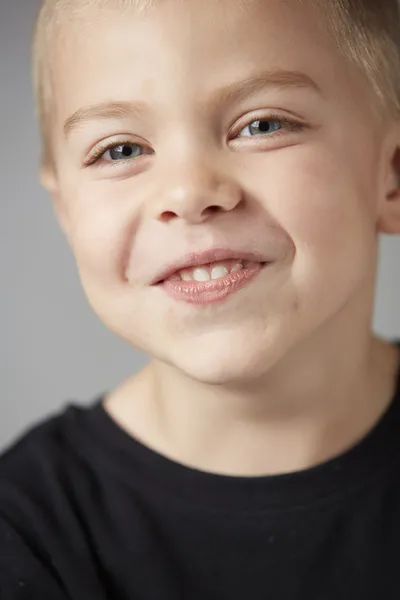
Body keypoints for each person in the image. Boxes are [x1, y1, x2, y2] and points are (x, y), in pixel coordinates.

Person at [1, 0, 400, 597]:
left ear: (392, 173)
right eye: (120, 150)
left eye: (262, 125)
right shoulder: (28, 533)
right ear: (65, 210)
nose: (189, 194)